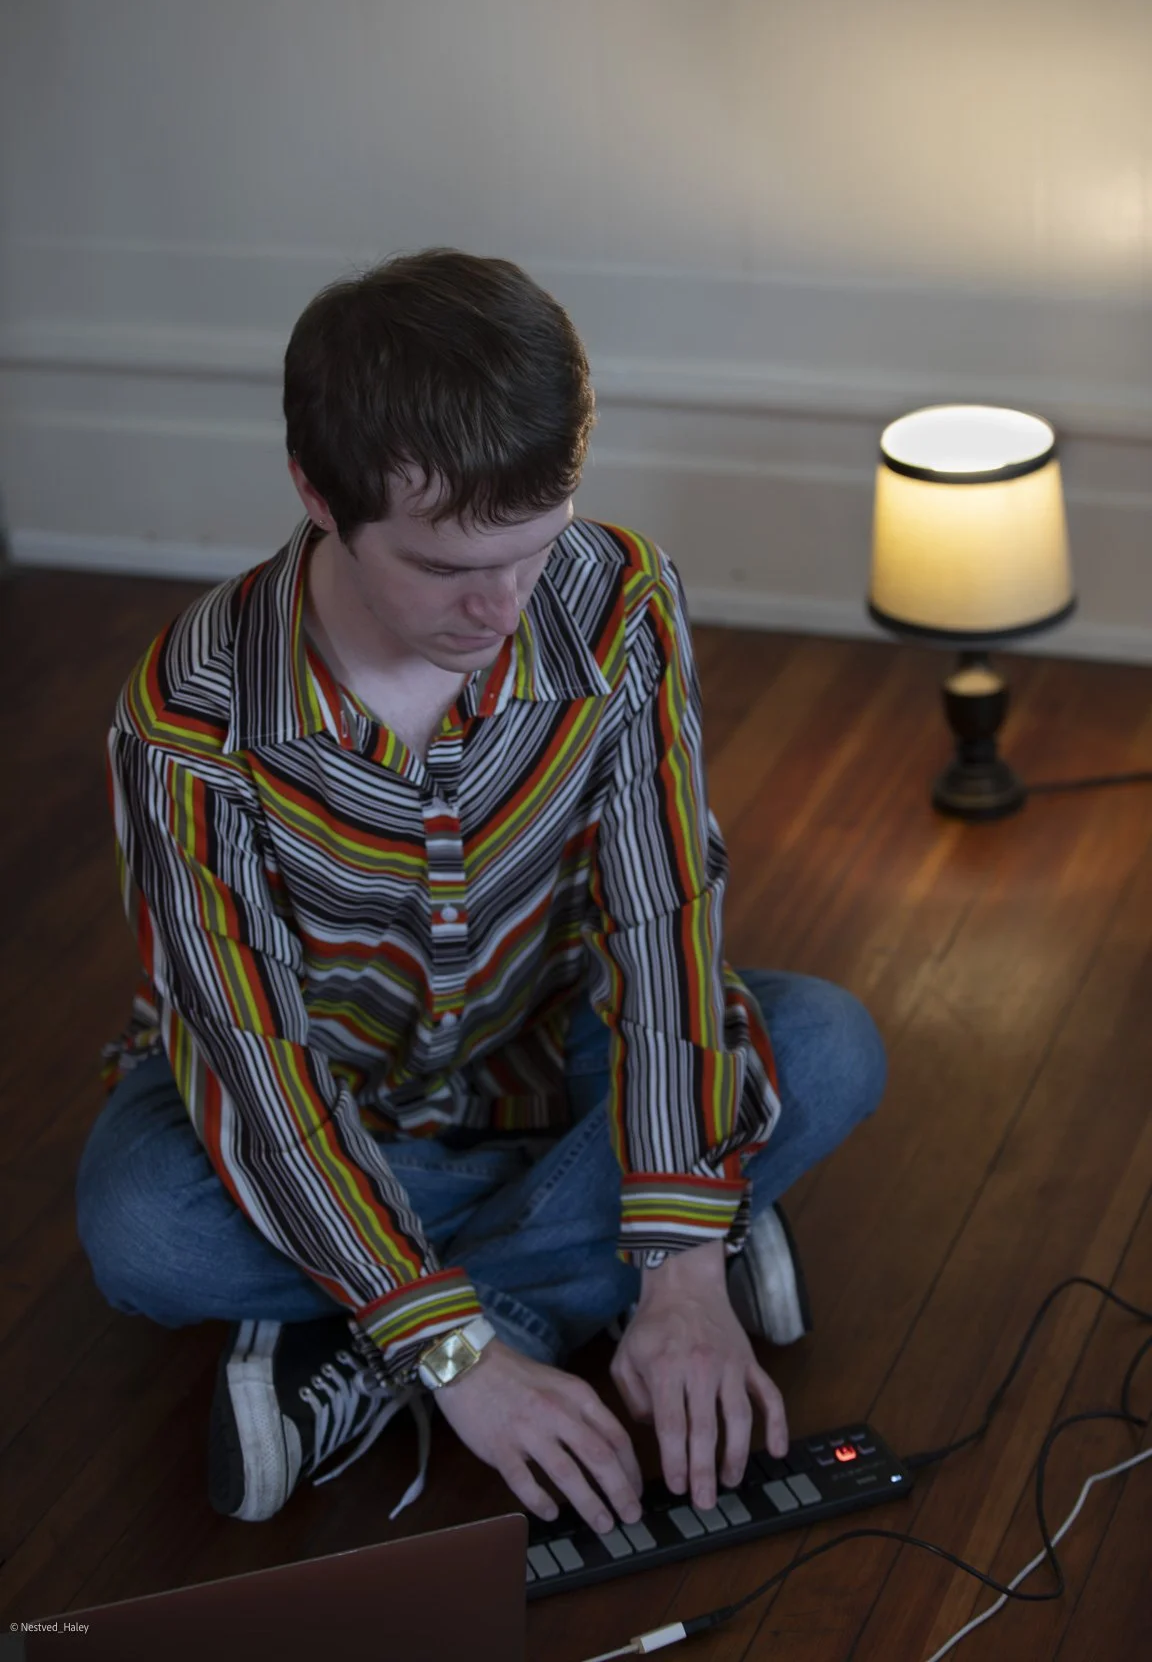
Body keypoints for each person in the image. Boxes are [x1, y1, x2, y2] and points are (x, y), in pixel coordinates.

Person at [75, 247, 886, 1534]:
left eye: (533, 549)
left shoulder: (616, 601)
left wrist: (672, 1285)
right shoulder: (187, 721)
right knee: (139, 1233)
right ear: (315, 494)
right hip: (315, 1093)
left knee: (836, 1043)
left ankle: (397, 1331)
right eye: (448, 569)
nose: (503, 605)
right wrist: (481, 1353)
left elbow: (662, 926)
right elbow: (253, 1068)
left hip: (548, 1042)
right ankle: (650, 1227)